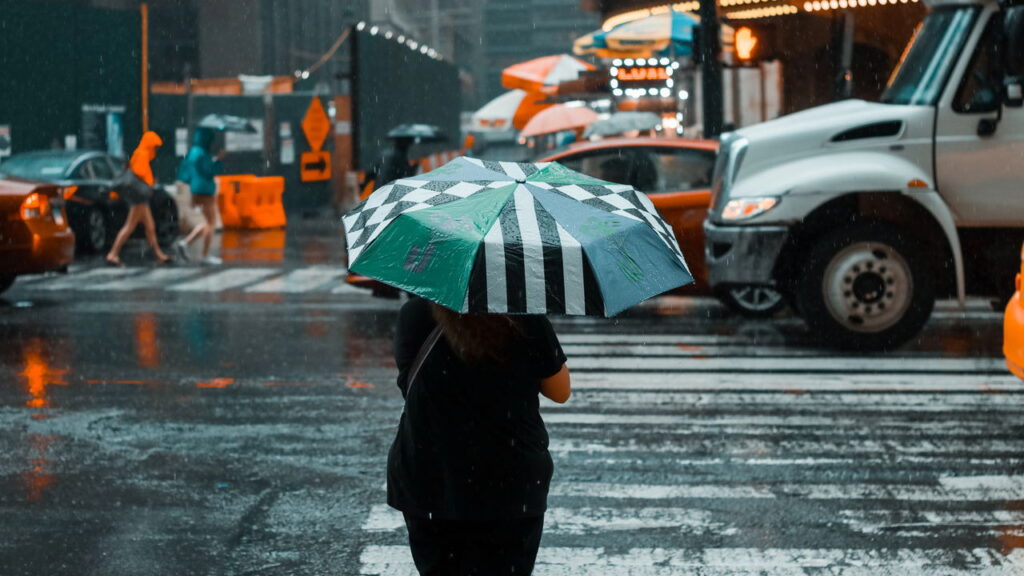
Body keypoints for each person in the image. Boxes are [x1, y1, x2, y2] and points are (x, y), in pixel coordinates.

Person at [389, 296, 571, 575]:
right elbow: (560, 392)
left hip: (431, 475)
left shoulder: (415, 313)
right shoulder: (524, 316)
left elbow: (411, 386)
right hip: (510, 479)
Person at [105, 131, 172, 267]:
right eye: (155, 147)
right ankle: (113, 254)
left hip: (140, 197)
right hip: (139, 197)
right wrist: (150, 182)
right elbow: (140, 172)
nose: (156, 150)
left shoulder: (140, 153)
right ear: (150, 145)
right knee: (130, 227)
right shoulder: (141, 154)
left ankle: (159, 254)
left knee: (150, 227)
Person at [184, 128, 224, 265]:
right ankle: (205, 255)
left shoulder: (193, 152)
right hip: (205, 190)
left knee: (207, 221)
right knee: (211, 223)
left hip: (196, 188)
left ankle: (185, 242)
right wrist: (218, 160)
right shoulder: (202, 153)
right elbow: (209, 171)